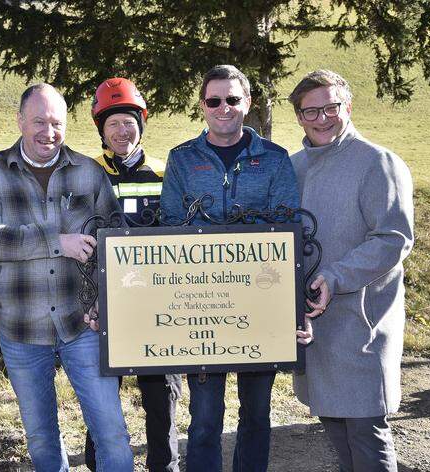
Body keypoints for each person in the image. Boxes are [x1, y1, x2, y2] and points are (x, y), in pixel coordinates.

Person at [0, 83, 134, 471]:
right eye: (39, 121)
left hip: (83, 325)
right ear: (20, 120)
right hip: (22, 329)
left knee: (111, 430)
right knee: (41, 434)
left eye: (56, 122)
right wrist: (55, 241)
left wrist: (105, 305)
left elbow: (115, 241)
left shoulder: (89, 173)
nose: (48, 132)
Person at [160, 64, 300, 472]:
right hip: (203, 306)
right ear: (203, 105)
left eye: (233, 100)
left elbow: (288, 224)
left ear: (248, 103)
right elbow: (170, 225)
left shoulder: (274, 159)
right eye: (214, 100)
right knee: (204, 419)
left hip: (260, 304)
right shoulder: (183, 159)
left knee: (256, 414)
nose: (224, 108)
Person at [288, 69, 414, 472]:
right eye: (312, 111)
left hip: (361, 324)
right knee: (333, 423)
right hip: (312, 325)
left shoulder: (378, 162)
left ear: (348, 106)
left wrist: (336, 276)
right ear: (299, 117)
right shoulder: (293, 167)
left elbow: (392, 239)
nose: (322, 118)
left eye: (331, 107)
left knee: (365, 431)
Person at [83, 77, 183, 472]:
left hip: (157, 305)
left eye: (128, 122)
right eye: (113, 124)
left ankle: (165, 466)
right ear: (101, 130)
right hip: (104, 303)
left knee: (162, 398)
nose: (122, 131)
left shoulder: (165, 173)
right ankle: (100, 464)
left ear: (140, 124)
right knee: (102, 397)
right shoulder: (87, 173)